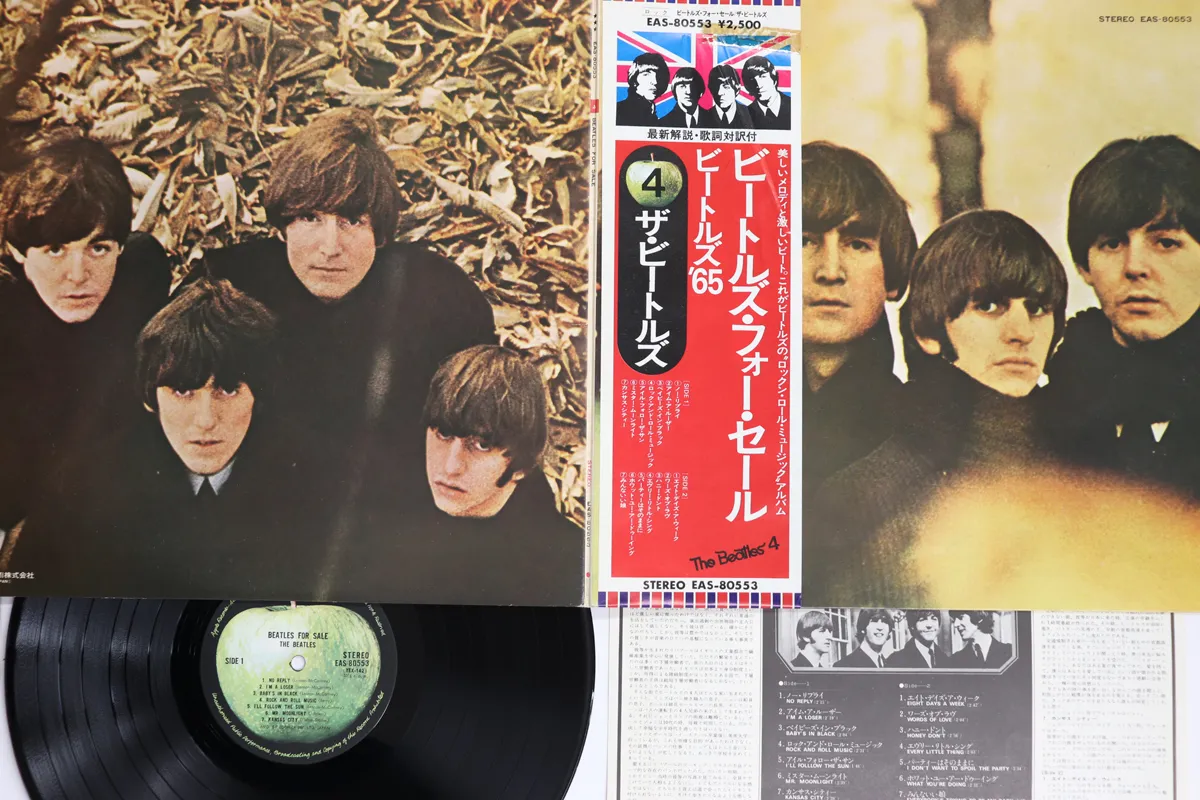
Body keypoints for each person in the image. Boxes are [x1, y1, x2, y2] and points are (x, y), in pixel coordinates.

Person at [200, 108, 496, 497]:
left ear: (381, 232)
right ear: (283, 225)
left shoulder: (440, 298)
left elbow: (489, 435)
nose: (330, 247)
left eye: (352, 220)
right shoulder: (228, 287)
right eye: (309, 218)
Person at [808, 209, 1068, 607]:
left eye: (1037, 308)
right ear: (927, 332)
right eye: (989, 306)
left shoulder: (1090, 476)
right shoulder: (860, 495)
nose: (1022, 332)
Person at [12, 280, 331, 596]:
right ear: (150, 398)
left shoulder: (319, 485)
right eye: (182, 390)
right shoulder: (82, 487)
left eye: (228, 389)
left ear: (259, 396)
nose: (206, 420)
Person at [0, 132, 170, 538]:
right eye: (55, 250)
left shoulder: (141, 273)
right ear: (19, 251)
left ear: (120, 247)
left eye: (98, 248)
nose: (77, 276)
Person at [346, 345, 583, 605]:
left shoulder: (565, 561)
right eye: (444, 433)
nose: (451, 467)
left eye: (482, 444)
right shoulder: (381, 524)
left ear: (524, 464)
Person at [1043, 135, 1200, 501]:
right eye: (1112, 243)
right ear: (1084, 266)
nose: (1134, 267)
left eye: (1166, 243)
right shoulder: (1046, 412)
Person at [615, 53, 668, 127]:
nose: (655, 81)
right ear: (634, 79)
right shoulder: (618, 111)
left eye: (658, 75)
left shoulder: (651, 111)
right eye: (646, 74)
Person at [743, 56, 791, 130]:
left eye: (763, 76)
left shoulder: (794, 106)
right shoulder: (746, 115)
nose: (759, 85)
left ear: (774, 78)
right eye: (752, 79)